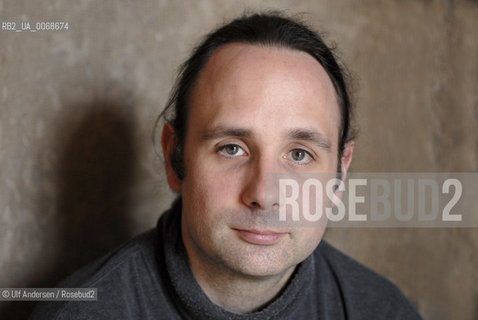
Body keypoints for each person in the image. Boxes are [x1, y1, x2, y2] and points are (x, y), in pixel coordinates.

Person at [30, 12, 422, 319]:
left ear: (340, 172)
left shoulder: (382, 310)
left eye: (300, 154)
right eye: (232, 148)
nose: (264, 195)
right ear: (174, 156)